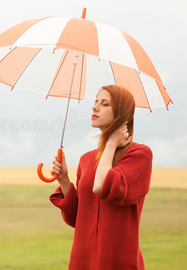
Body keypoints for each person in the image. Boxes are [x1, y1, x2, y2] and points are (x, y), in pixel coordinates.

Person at [49, 85, 153, 270]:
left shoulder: (140, 155)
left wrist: (112, 142)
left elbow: (101, 186)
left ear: (122, 113)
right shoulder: (86, 159)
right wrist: (64, 180)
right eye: (96, 101)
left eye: (104, 104)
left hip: (119, 260)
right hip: (83, 260)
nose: (95, 107)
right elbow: (77, 219)